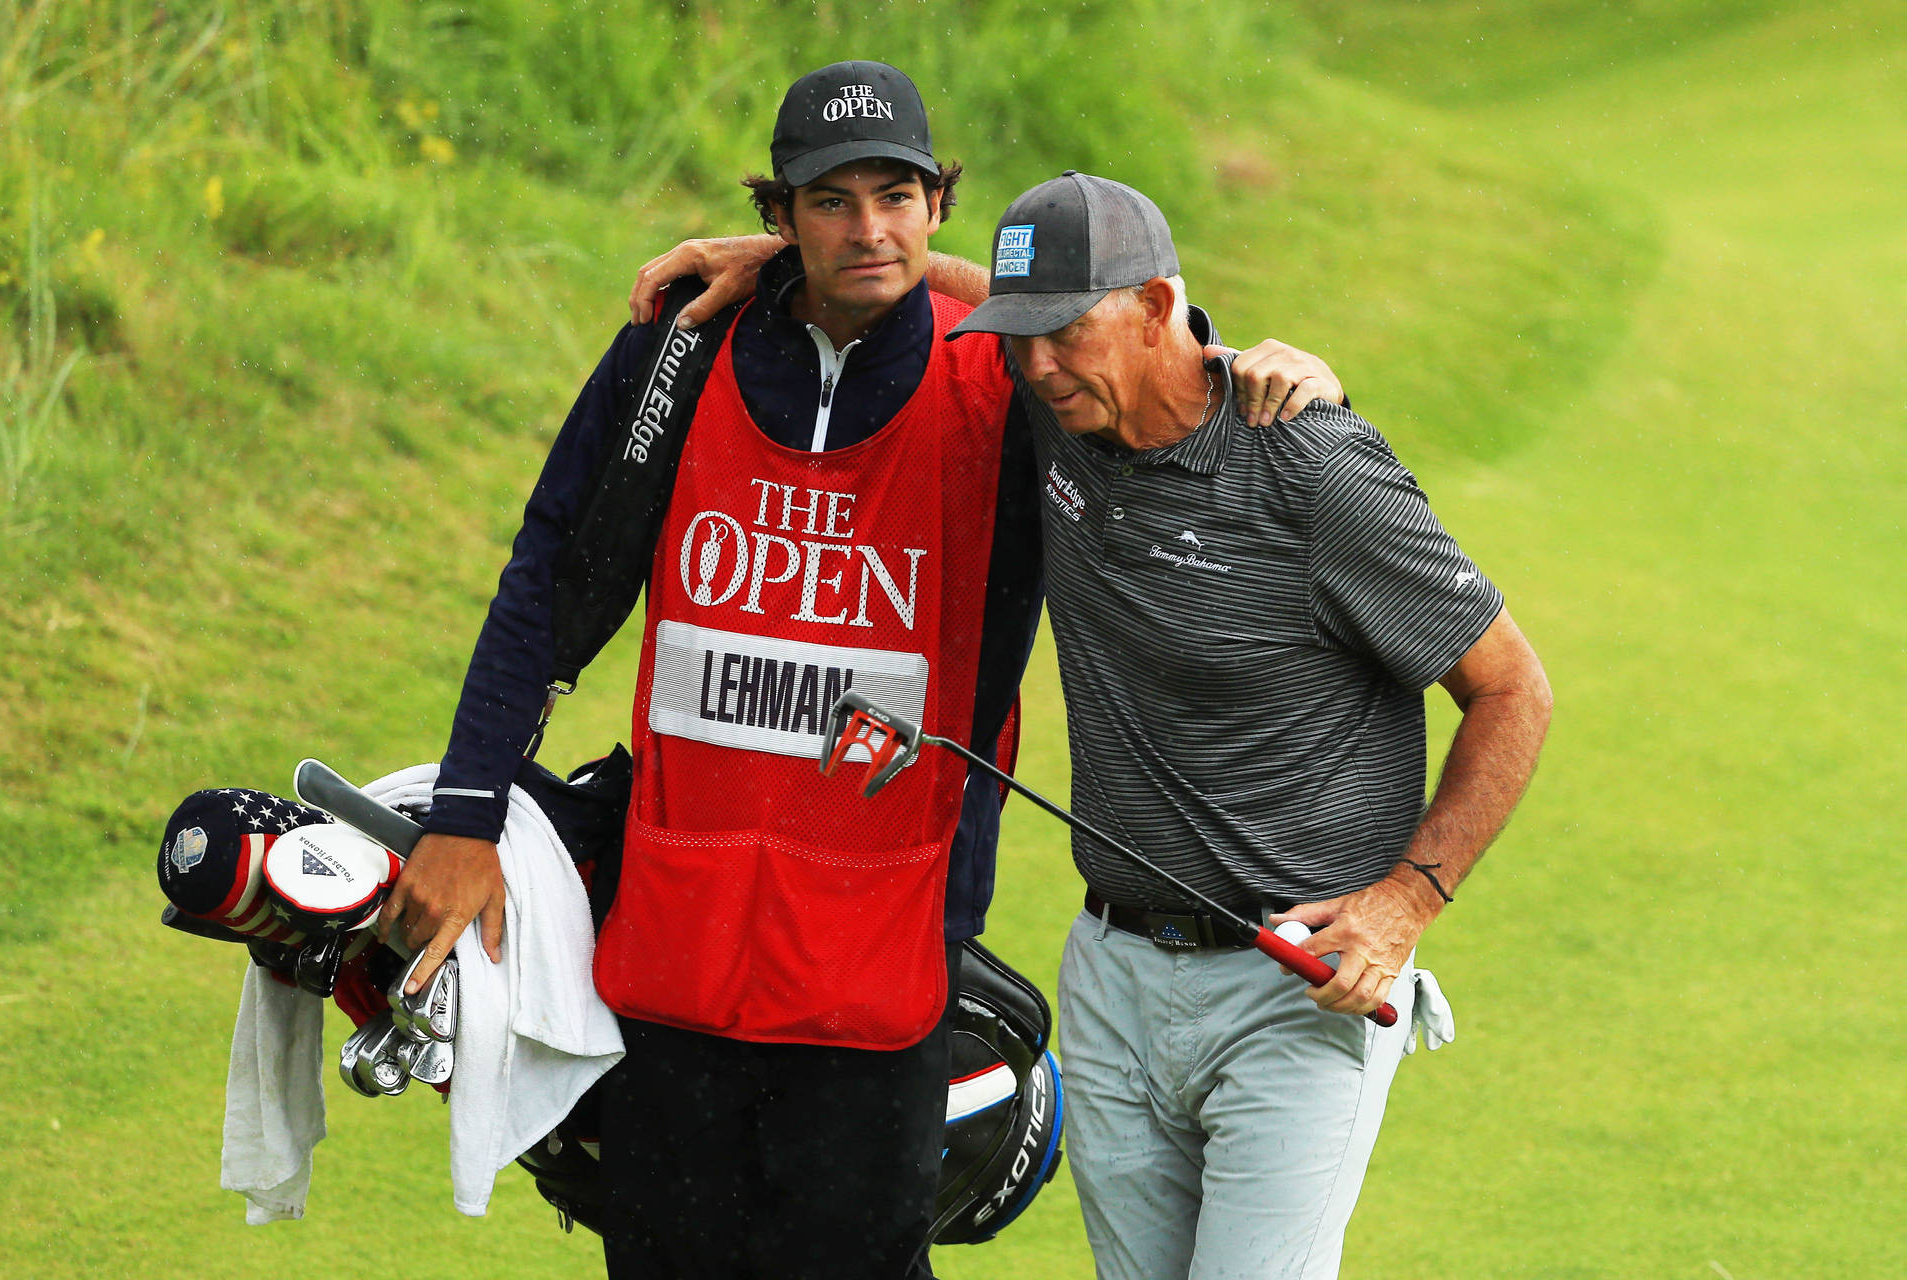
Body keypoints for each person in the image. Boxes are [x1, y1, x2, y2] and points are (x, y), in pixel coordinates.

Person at [377, 65, 1347, 1279]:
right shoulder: (680, 350)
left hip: (886, 966)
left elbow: (1125, 359)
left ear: (940, 202)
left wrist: (1244, 356)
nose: (869, 229)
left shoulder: (1007, 378)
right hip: (672, 946)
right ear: (779, 214)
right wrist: (468, 810)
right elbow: (547, 576)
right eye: (828, 203)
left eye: (896, 194)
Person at [945, 172, 1554, 1280]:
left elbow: (1514, 688)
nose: (1035, 365)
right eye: (1019, 336)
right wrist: (774, 258)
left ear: (1156, 304)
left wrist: (1406, 903)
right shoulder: (1059, 397)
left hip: (1294, 995)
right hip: (1114, 982)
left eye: (1065, 330)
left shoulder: (1313, 466)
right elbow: (932, 284)